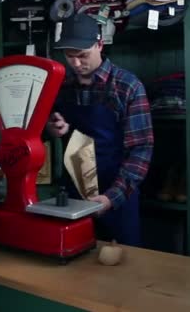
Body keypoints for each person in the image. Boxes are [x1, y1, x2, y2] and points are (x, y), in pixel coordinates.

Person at [46, 13, 154, 246]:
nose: (75, 64)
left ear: (100, 44)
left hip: (117, 196)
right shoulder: (62, 86)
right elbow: (47, 127)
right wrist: (52, 128)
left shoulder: (127, 86)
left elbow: (141, 150)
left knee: (122, 268)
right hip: (73, 195)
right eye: (69, 56)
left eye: (82, 55)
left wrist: (110, 198)